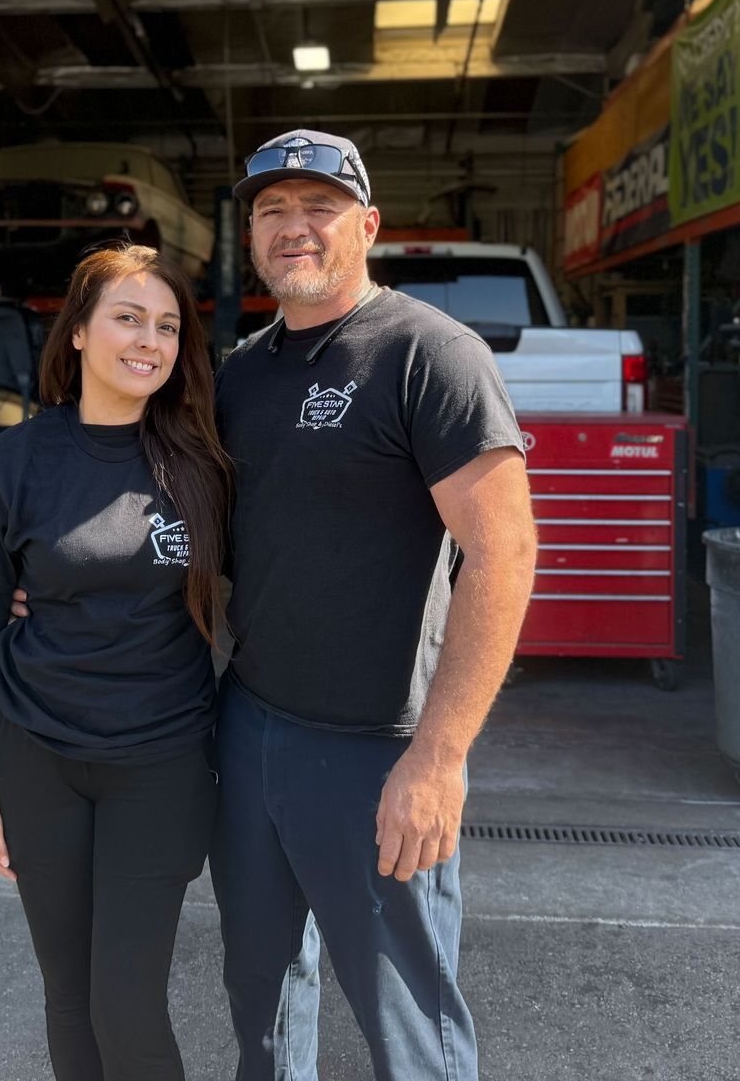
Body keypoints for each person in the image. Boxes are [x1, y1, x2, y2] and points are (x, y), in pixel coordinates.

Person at [211, 130, 537, 1080]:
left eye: (319, 206)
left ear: (369, 225)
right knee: (261, 1008)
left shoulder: (428, 355)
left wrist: (437, 761)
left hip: (377, 754)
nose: (294, 227)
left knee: (410, 1031)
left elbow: (504, 554)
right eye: (272, 210)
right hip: (252, 727)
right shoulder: (241, 373)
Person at [0, 242, 232, 1081]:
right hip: (38, 760)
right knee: (67, 995)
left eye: (168, 326)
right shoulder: (18, 460)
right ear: (77, 332)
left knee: (126, 1004)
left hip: (163, 764)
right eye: (128, 317)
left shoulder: (202, 464)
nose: (149, 340)